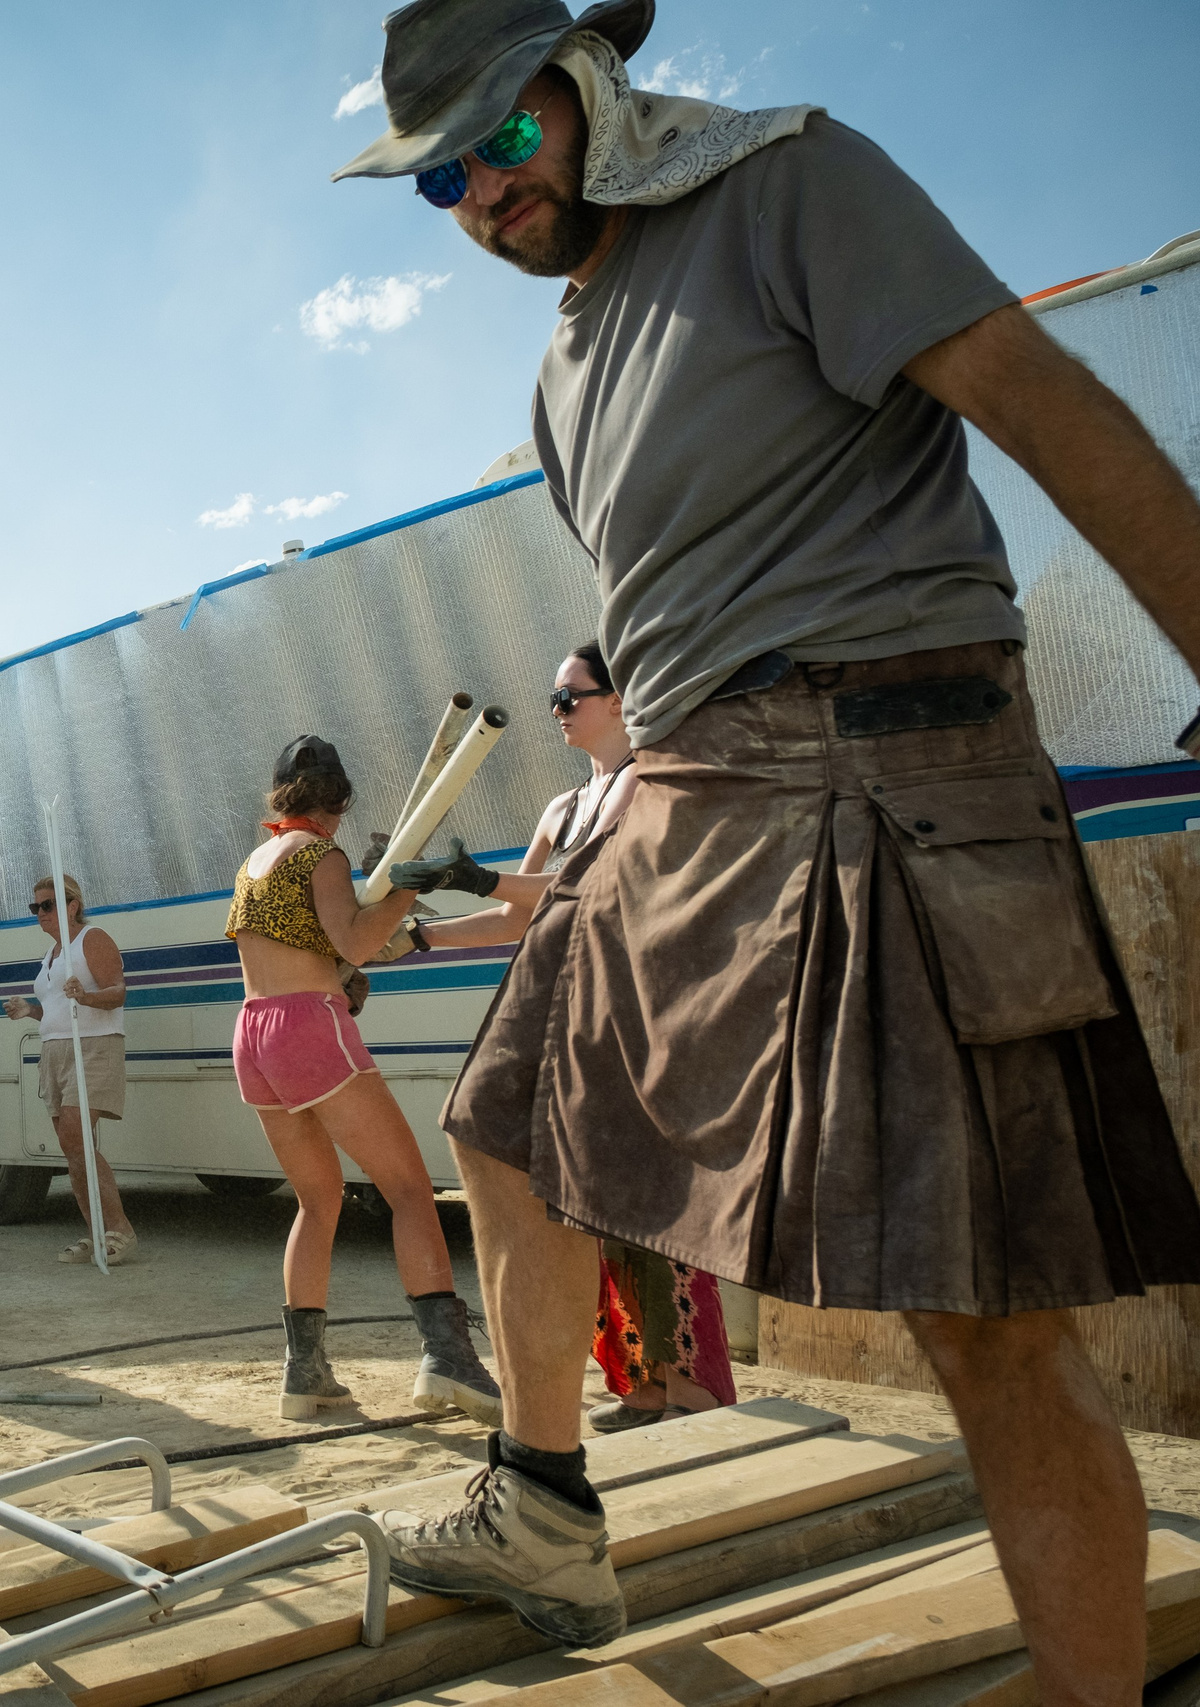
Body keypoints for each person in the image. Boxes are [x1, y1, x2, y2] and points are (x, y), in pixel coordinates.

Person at [334, 0, 1200, 1680]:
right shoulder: (563, 375)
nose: (484, 200)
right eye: (439, 187)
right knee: (508, 1114)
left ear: (585, 84)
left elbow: (1035, 393)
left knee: (981, 1319)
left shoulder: (786, 183)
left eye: (501, 144)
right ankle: (543, 1502)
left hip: (888, 759)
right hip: (691, 791)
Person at [395, 646, 733, 1429]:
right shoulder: (560, 806)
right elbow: (522, 913)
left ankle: (687, 1382)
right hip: (571, 1013)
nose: (556, 708)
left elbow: (591, 884)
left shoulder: (650, 778)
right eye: (552, 696)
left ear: (619, 700)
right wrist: (421, 938)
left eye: (570, 694)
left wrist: (478, 877)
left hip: (640, 1012)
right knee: (583, 1202)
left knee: (647, 1200)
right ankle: (640, 1382)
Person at [226, 736, 502, 1426]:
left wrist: (376, 935)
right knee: (410, 1190)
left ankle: (305, 1373)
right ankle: (448, 1359)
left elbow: (321, 950)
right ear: (340, 801)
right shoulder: (323, 854)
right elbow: (354, 941)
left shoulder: (254, 862)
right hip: (308, 1026)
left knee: (317, 1201)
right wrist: (407, 881)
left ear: (279, 792)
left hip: (253, 1034)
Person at [1, 874, 134, 1265]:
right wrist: (30, 1010)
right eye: (35, 907)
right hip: (55, 1050)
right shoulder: (53, 954)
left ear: (72, 905)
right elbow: (59, 1009)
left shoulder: (91, 940)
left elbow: (118, 991)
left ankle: (120, 1230)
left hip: (92, 1046)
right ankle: (99, 1234)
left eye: (47, 905)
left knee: (76, 1137)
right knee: (73, 1147)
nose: (40, 914)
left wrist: (86, 995)